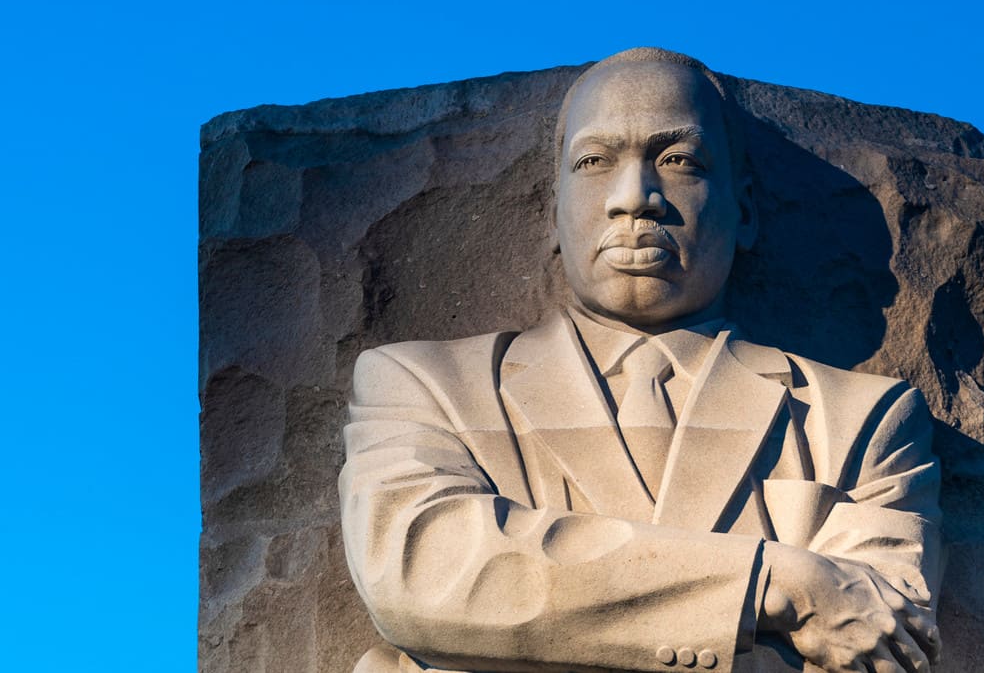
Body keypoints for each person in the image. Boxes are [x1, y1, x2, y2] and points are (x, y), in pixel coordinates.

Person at [339, 48, 942, 673]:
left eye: (679, 160)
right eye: (595, 162)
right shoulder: (424, 386)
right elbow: (425, 573)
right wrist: (777, 583)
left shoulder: (861, 417)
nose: (635, 198)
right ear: (553, 210)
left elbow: (881, 642)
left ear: (746, 209)